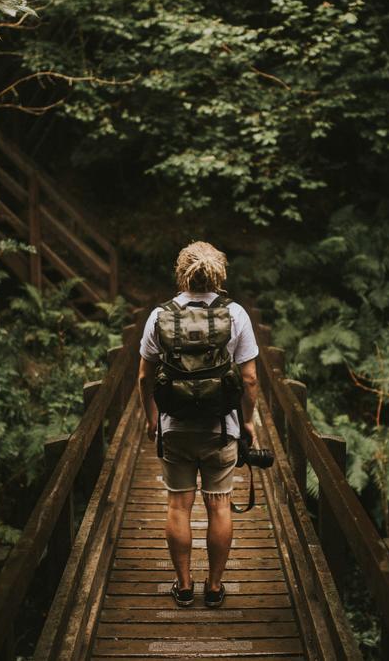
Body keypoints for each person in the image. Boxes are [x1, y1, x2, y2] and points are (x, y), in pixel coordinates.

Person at [137, 241, 259, 608]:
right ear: (219, 273)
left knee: (178, 505)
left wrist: (151, 416)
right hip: (221, 428)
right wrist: (248, 422)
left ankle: (184, 585)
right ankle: (215, 587)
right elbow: (250, 379)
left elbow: (144, 377)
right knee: (219, 505)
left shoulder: (161, 315)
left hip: (174, 428)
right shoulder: (235, 314)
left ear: (182, 272)